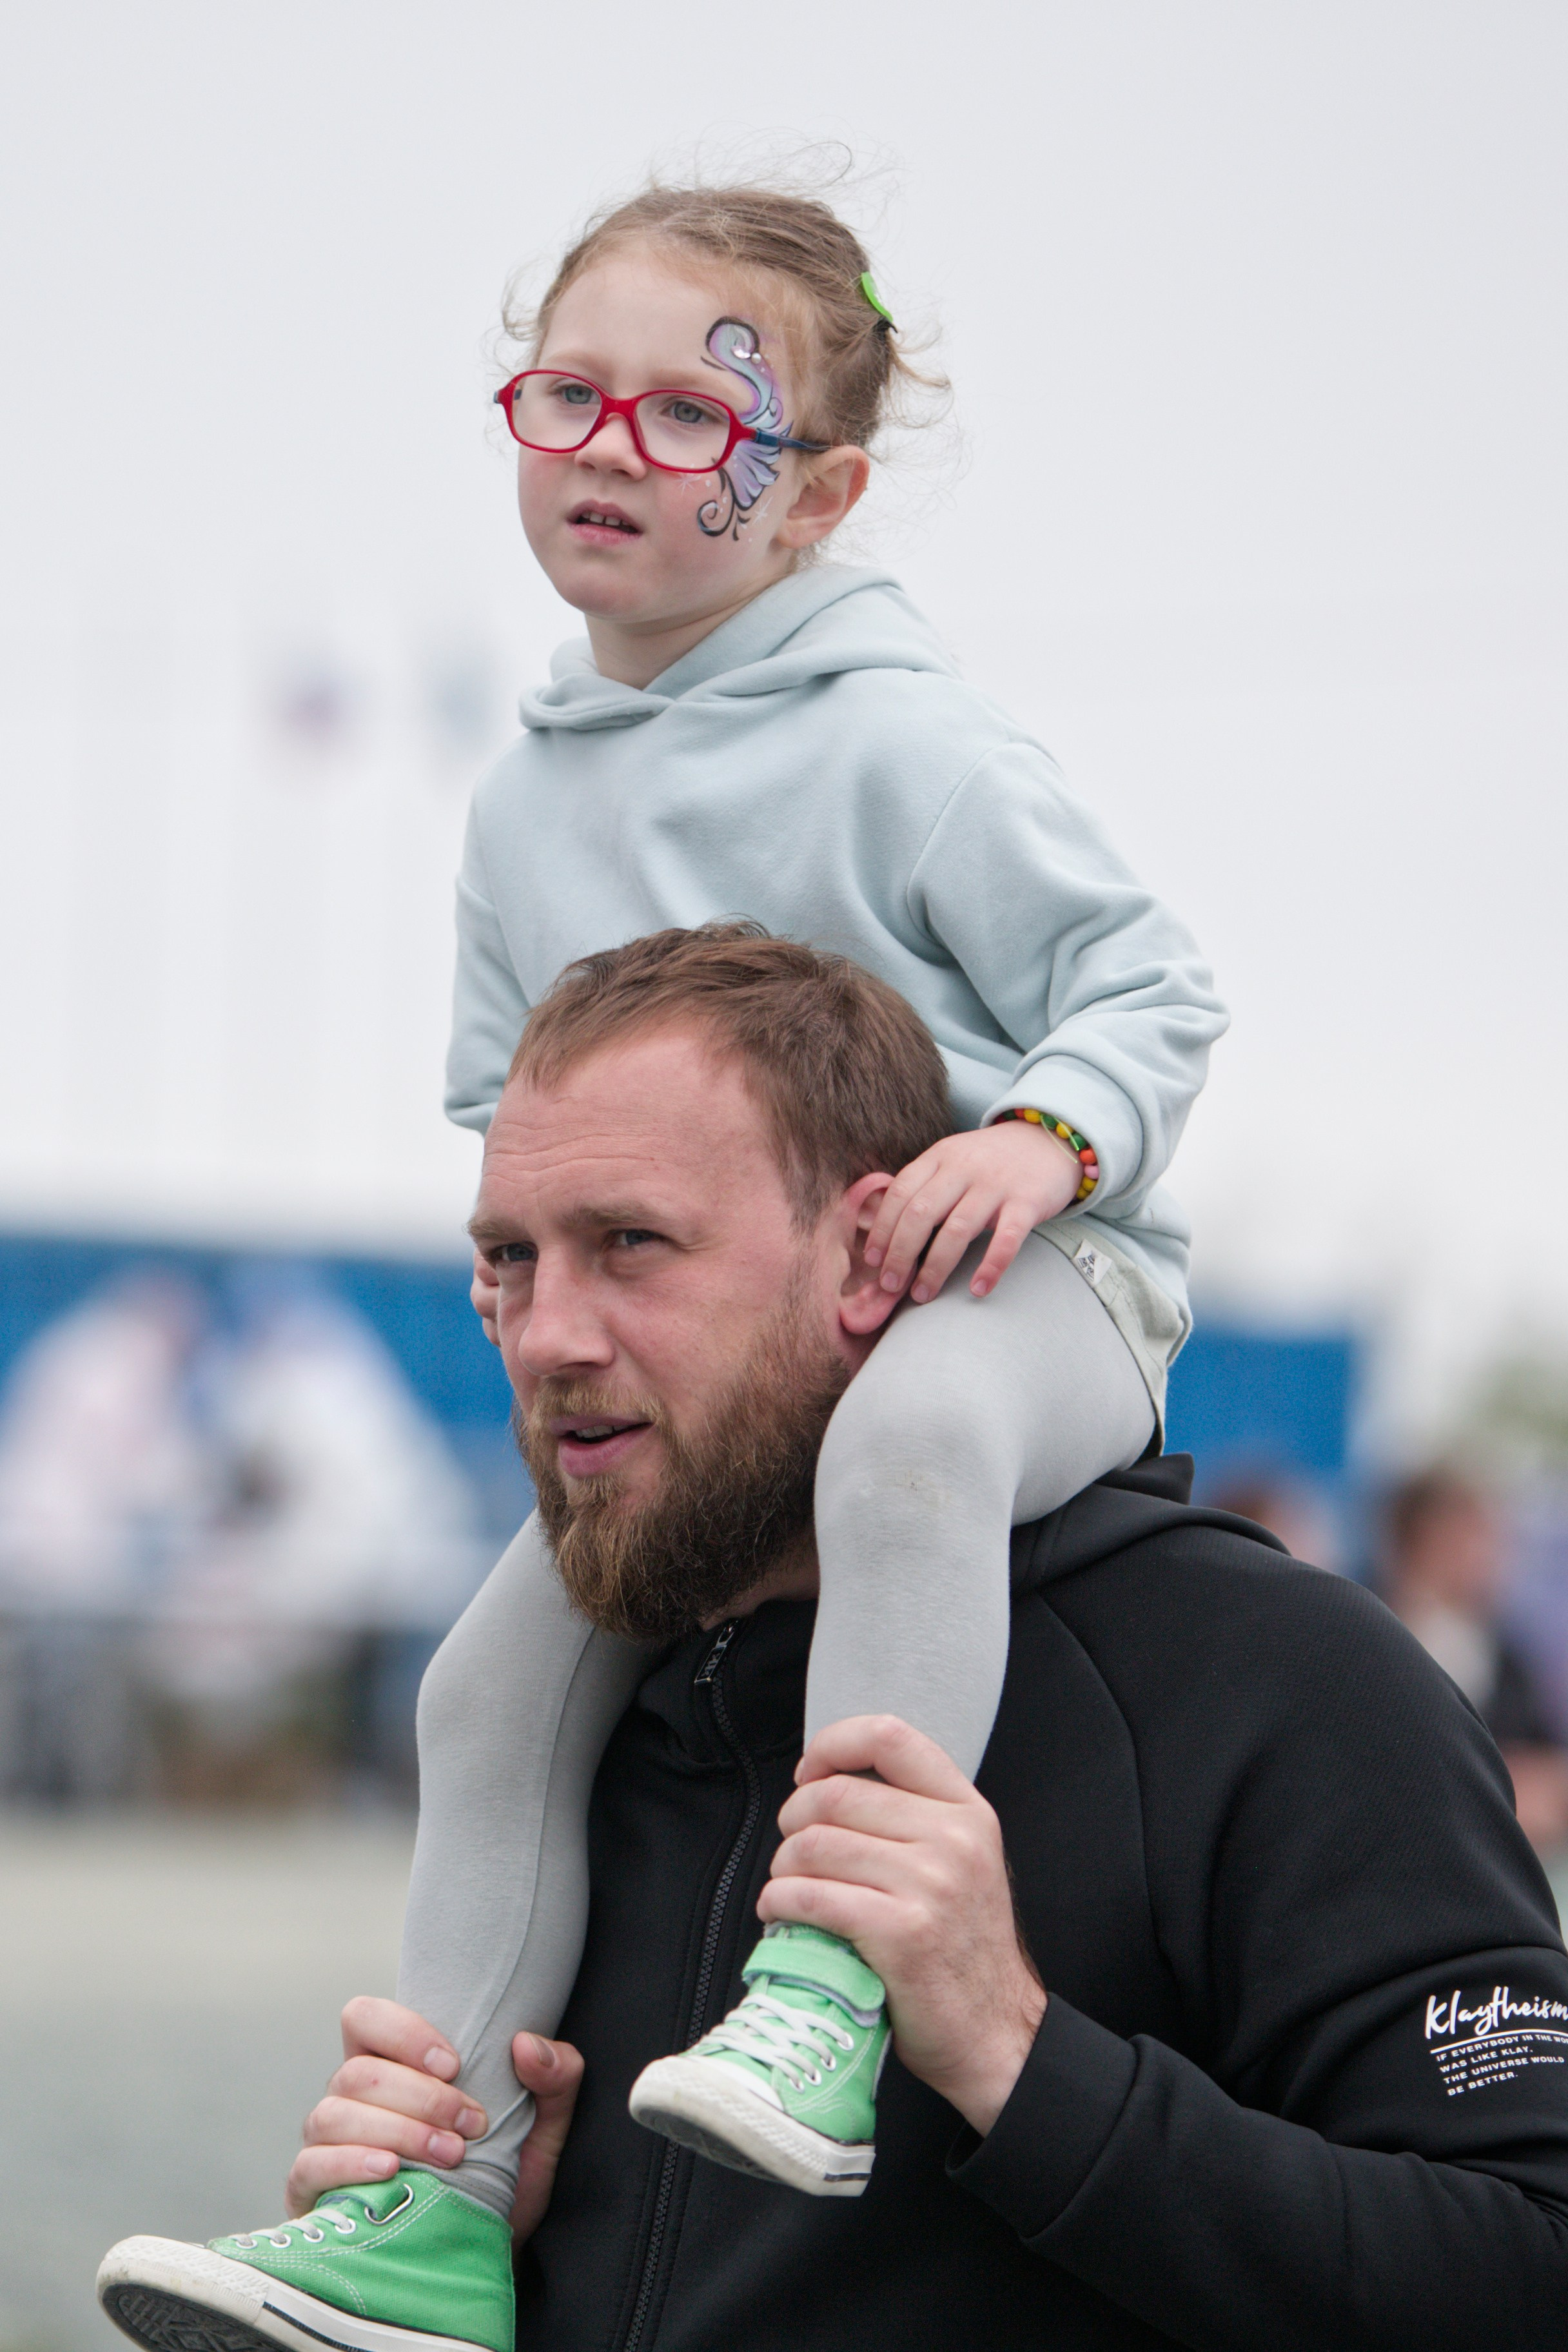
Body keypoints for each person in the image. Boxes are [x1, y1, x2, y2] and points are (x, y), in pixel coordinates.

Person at [101, 932, 1568, 2351]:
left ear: (871, 1256)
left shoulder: (1279, 1685)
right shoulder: (575, 1735)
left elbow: (1523, 2270)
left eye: (630, 1245)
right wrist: (515, 2252)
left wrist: (1019, 2059)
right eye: (509, 1259)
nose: (547, 1334)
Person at [437, 172, 1222, 2211]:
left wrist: (1027, 1147)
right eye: (567, 394)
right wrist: (523, 1273)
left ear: (818, 493)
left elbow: (1149, 987)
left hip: (1028, 1293)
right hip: (752, 1355)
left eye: (691, 418)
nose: (614, 448)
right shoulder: (520, 805)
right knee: (484, 1674)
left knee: (911, 1444)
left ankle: (828, 1998)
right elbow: (497, 1117)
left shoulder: (914, 750)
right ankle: (442, 2179)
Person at [1383, 1466, 1568, 1851]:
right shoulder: (1381, 1650)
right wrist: (1501, 1789)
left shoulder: (1505, 1653)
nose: (1491, 1555)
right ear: (1420, 1544)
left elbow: (1551, 1765)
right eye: (1470, 1535)